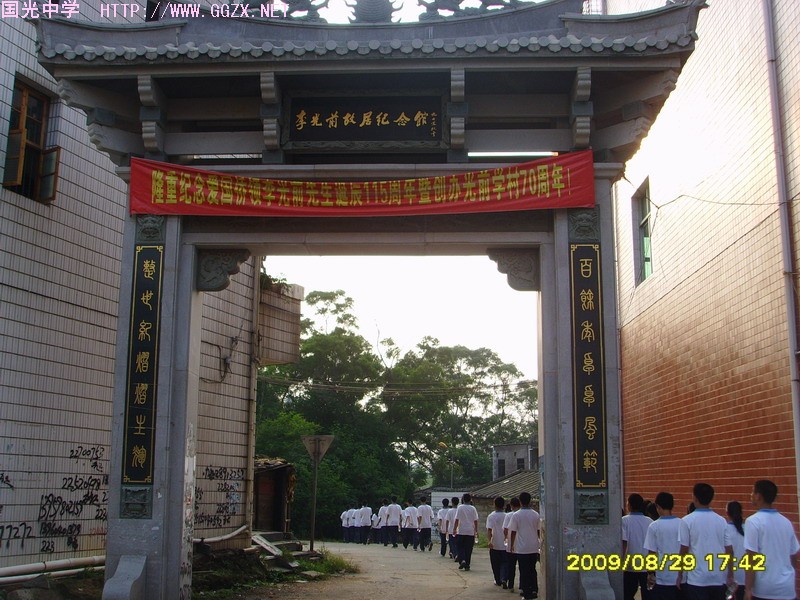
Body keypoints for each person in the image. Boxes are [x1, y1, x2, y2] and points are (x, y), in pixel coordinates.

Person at [743, 479, 800, 600]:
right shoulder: (786, 522)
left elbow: (751, 557)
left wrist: (748, 588)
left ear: (758, 496)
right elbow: (793, 555)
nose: (751, 495)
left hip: (765, 588)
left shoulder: (753, 521)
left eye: (753, 491)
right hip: (787, 588)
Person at [677, 482, 734, 600]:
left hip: (697, 579)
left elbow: (683, 550)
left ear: (694, 498)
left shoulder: (686, 521)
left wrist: (680, 574)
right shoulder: (721, 520)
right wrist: (730, 574)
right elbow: (729, 550)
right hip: (718, 577)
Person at [644, 492, 682, 600]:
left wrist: (650, 573)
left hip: (663, 577)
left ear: (658, 507)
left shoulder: (654, 526)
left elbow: (652, 553)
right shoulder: (682, 524)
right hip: (681, 576)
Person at [507, 491, 540, 600]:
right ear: (530, 501)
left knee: (524, 570)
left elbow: (513, 531)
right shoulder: (536, 514)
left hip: (522, 547)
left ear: (520, 501)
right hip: (533, 546)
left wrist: (512, 545)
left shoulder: (516, 515)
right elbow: (539, 531)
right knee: (532, 569)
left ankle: (526, 593)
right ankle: (534, 589)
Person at [622, 493, 653, 600]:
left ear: (629, 505)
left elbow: (624, 543)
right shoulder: (650, 521)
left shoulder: (624, 521)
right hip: (646, 565)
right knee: (648, 594)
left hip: (630, 565)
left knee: (628, 594)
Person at [453, 492, 479, 571]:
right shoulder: (473, 508)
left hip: (461, 530)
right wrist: (476, 530)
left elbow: (457, 519)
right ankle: (467, 565)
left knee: (460, 546)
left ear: (463, 499)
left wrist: (454, 529)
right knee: (468, 549)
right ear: (470, 500)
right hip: (470, 531)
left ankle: (462, 560)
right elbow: (475, 520)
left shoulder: (460, 507)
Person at [726, 501, 745, 600]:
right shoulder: (749, 529)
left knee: (729, 597)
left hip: (729, 578)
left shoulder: (725, 529)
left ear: (727, 513)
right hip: (746, 577)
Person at [486, 496, 507, 587]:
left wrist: (489, 541)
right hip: (505, 544)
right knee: (505, 562)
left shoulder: (491, 516)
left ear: (494, 504)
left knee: (495, 564)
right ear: (504, 505)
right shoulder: (507, 516)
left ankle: (498, 580)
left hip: (494, 543)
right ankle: (504, 578)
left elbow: (489, 530)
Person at [503, 496, 521, 592]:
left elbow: (505, 529)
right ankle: (522, 586)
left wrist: (506, 538)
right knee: (522, 567)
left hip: (511, 543)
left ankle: (511, 585)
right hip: (522, 544)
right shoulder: (522, 514)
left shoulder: (509, 515)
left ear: (511, 505)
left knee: (511, 566)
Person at [447, 496, 460, 562]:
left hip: (451, 530)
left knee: (452, 544)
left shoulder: (450, 511)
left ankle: (455, 554)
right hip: (459, 530)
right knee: (458, 544)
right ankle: (457, 554)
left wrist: (446, 529)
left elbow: (447, 520)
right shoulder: (459, 510)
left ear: (452, 502)